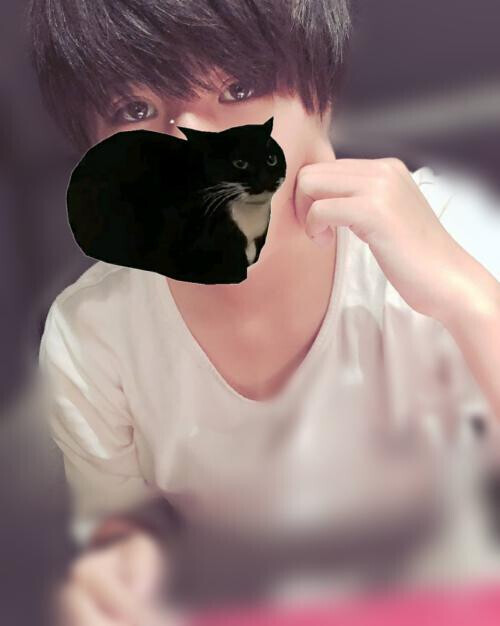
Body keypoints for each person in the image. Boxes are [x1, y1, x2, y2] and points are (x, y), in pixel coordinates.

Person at [27, 0, 500, 624]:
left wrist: (467, 300)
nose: (195, 150)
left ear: (319, 99)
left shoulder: (445, 237)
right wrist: (122, 565)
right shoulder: (93, 331)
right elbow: (120, 522)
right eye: (135, 110)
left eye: (238, 89)